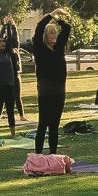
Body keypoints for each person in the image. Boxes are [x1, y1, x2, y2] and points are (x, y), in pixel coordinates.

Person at [32, 8, 72, 154]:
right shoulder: (39, 48)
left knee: (54, 125)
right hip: (45, 90)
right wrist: (52, 14)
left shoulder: (59, 47)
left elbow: (67, 28)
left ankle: (53, 155)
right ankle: (38, 155)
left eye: (55, 32)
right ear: (45, 35)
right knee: (43, 123)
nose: (54, 34)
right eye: (51, 32)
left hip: (59, 89)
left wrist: (58, 19)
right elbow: (38, 28)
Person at [0, 15, 19, 139]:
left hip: (9, 86)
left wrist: (7, 25)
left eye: (3, 41)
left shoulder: (9, 53)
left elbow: (11, 40)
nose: (2, 43)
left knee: (11, 111)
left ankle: (13, 134)